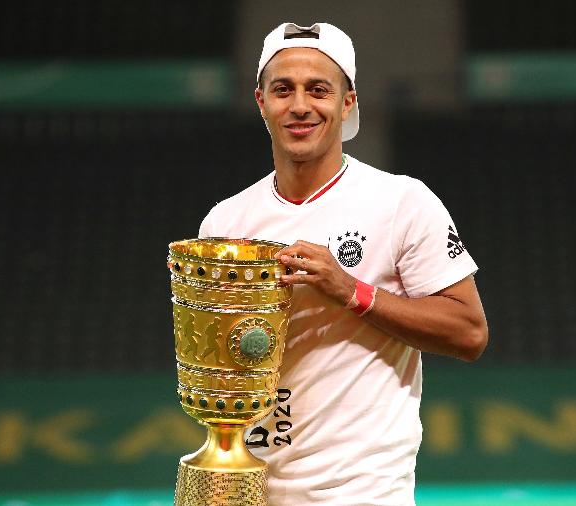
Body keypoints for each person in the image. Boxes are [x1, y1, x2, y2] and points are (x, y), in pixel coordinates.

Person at [198, 21, 488, 505]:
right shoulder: (225, 224)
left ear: (347, 102)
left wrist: (351, 291)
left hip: (363, 492)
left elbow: (470, 332)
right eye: (283, 89)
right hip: (255, 488)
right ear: (260, 102)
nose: (300, 106)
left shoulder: (402, 201)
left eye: (318, 90)